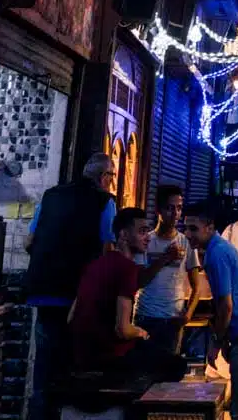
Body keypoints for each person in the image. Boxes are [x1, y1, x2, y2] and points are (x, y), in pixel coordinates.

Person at [24, 153, 118, 420]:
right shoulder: (104, 202)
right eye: (112, 176)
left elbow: (28, 243)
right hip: (77, 297)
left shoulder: (51, 196)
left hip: (43, 292)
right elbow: (107, 250)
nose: (112, 182)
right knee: (72, 367)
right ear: (104, 177)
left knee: (43, 369)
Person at [70, 207, 187, 385]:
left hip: (81, 352)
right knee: (176, 365)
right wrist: (141, 332)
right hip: (109, 355)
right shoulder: (127, 268)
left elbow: (71, 317)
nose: (147, 237)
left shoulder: (95, 264)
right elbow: (123, 329)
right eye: (141, 231)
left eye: (148, 231)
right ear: (124, 235)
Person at [184, 201, 238, 420]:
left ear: (210, 227)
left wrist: (216, 340)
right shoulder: (214, 250)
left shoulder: (217, 254)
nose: (187, 234)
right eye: (185, 228)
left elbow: (226, 305)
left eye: (193, 228)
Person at [135, 184, 202, 354]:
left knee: (167, 374)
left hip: (173, 319)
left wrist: (187, 315)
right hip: (145, 316)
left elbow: (197, 286)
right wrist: (165, 258)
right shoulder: (146, 241)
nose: (175, 214)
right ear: (158, 210)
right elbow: (140, 280)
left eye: (179, 208)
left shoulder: (186, 242)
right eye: (170, 208)